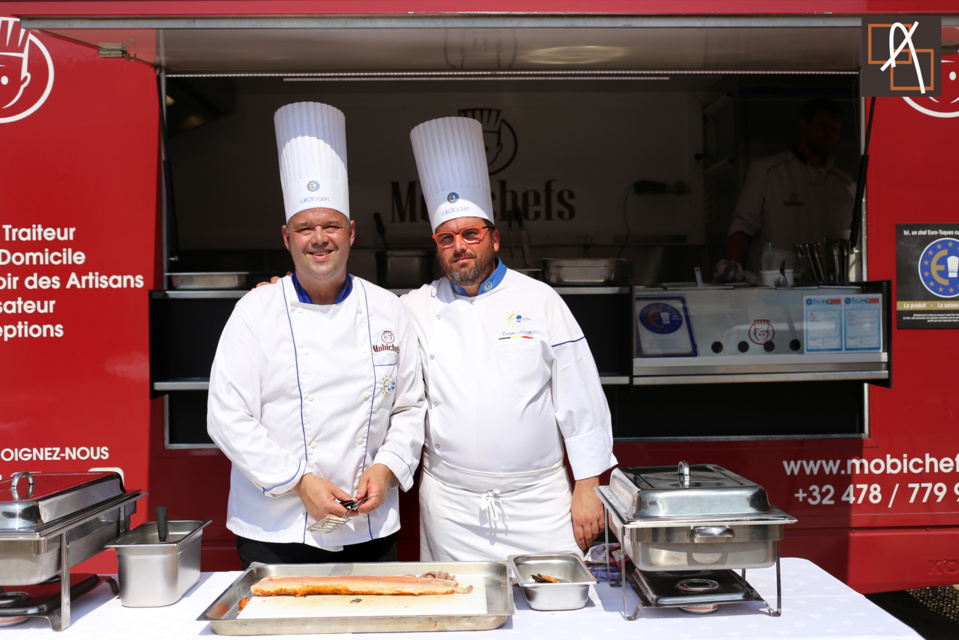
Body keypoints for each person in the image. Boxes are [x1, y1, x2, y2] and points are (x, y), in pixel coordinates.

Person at [207, 102, 426, 569]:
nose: (319, 238)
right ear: (287, 237)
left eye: (330, 226)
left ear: (351, 233)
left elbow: (410, 406)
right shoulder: (255, 312)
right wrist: (298, 480)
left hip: (368, 522)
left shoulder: (388, 309)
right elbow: (227, 416)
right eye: (306, 228)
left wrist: (387, 468)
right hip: (276, 525)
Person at [404, 116, 617, 562]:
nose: (459, 246)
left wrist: (587, 485)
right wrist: (289, 290)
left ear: (494, 239)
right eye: (447, 238)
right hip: (452, 507)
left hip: (540, 503)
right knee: (459, 622)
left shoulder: (540, 299)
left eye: (470, 234)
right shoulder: (413, 308)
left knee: (560, 619)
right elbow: (353, 312)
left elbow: (581, 398)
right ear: (436, 245)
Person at [720, 98, 855, 281]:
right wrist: (731, 268)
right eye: (822, 126)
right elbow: (743, 225)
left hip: (827, 289)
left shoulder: (845, 184)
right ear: (803, 125)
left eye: (835, 129)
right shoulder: (767, 171)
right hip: (773, 289)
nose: (829, 134)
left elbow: (856, 237)